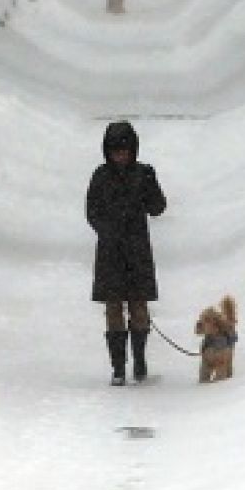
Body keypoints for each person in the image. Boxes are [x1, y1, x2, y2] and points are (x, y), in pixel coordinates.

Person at [86, 120, 167, 386]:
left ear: (133, 150)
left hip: (137, 252)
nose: (120, 156)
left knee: (139, 308)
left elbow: (158, 207)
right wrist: (107, 231)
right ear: (107, 152)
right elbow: (91, 211)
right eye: (115, 151)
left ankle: (140, 358)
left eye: (124, 151)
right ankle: (118, 366)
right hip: (110, 254)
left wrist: (151, 187)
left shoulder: (143, 174)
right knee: (113, 310)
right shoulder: (100, 176)